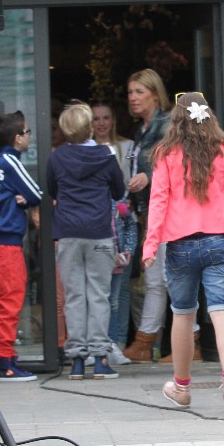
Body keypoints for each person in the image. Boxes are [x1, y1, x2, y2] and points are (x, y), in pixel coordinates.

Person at [143, 94, 224, 411]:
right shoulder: (223, 149)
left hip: (181, 243)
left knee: (183, 314)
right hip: (220, 238)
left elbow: (158, 201)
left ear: (176, 120)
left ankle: (182, 388)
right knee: (222, 310)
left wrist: (150, 244)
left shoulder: (165, 153)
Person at [46, 102, 126, 380]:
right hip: (99, 232)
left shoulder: (57, 157)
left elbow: (52, 190)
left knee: (74, 296)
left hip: (68, 232)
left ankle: (77, 360)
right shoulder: (106, 155)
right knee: (99, 296)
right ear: (90, 127)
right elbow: (118, 191)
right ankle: (101, 358)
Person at [0, 111, 42, 381]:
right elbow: (36, 192)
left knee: (4, 301)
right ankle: (3, 361)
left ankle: (3, 356)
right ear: (18, 138)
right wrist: (26, 198)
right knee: (9, 300)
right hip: (7, 244)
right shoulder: (9, 161)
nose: (30, 136)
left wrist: (22, 198)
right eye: (27, 132)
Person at [124, 70, 174, 362]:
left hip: (168, 212)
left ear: (155, 94)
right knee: (155, 279)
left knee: (169, 278)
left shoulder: (167, 125)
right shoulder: (141, 130)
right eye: (131, 92)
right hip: (149, 213)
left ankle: (189, 341)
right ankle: (145, 341)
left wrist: (149, 177)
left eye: (139, 92)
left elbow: (179, 167)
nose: (133, 98)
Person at [93, 102, 140, 356]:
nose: (101, 123)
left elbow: (133, 178)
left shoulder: (128, 146)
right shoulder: (86, 148)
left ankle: (120, 340)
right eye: (96, 119)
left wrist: (130, 202)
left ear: (113, 120)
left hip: (123, 216)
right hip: (100, 219)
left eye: (105, 118)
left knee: (121, 290)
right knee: (103, 293)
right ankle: (105, 342)